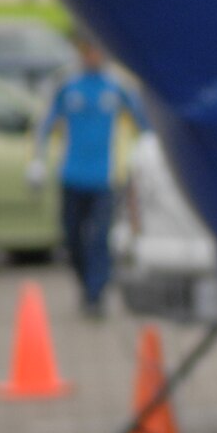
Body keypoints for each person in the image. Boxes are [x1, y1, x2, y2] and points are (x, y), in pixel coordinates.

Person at [30, 32, 148, 318]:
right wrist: (37, 161)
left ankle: (96, 295)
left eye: (97, 50)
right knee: (72, 238)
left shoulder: (117, 86)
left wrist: (145, 155)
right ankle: (86, 283)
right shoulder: (67, 85)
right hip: (72, 174)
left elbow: (143, 124)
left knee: (98, 239)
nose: (93, 55)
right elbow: (45, 125)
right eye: (88, 50)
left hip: (105, 177)